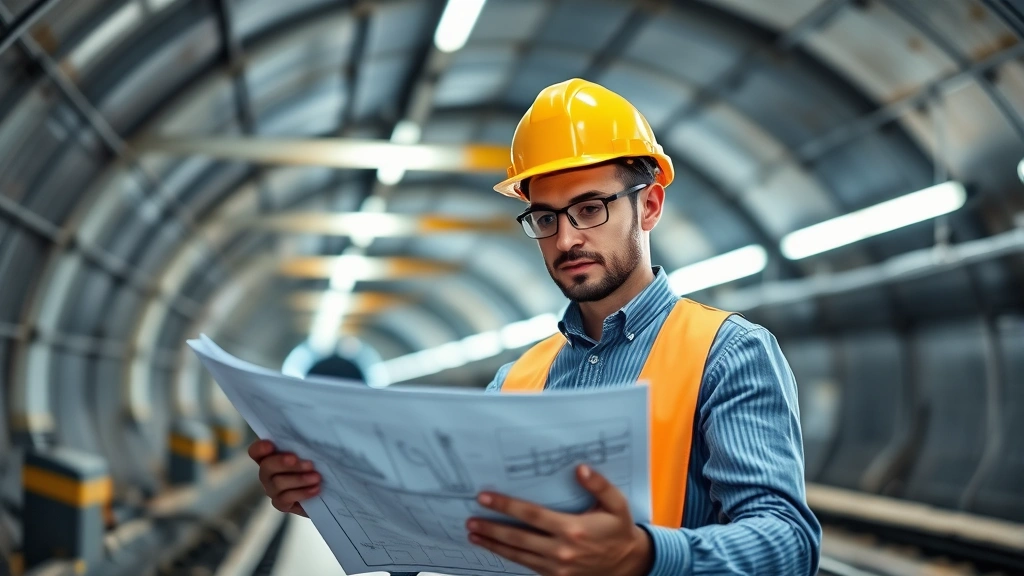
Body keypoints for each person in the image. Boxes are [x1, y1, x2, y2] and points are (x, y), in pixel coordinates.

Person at [247, 78, 822, 575]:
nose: (567, 238)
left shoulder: (728, 355)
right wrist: (335, 500)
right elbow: (462, 541)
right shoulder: (515, 381)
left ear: (648, 206)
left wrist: (643, 558)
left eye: (590, 207)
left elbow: (789, 545)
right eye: (545, 217)